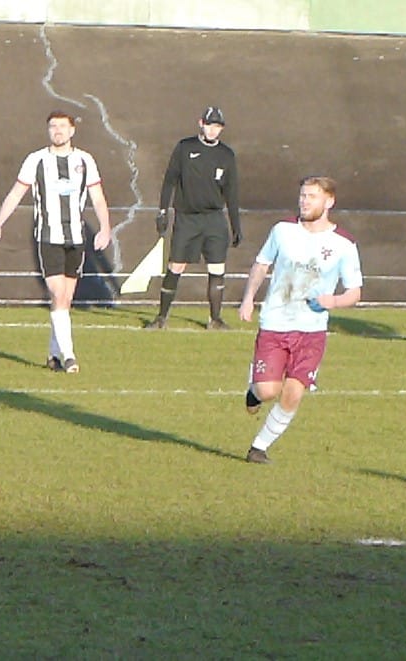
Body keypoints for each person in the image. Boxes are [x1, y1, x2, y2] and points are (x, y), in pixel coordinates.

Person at [238, 176, 362, 464]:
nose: (304, 202)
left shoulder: (343, 244)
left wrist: (334, 301)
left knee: (293, 394)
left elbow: (355, 292)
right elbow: (262, 263)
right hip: (275, 323)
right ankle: (254, 392)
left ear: (329, 202)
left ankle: (259, 448)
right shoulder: (282, 230)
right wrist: (248, 298)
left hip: (312, 331)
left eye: (312, 197)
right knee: (269, 391)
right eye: (303, 196)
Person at [0, 110, 111, 373]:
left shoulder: (84, 160)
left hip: (76, 238)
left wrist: (105, 228)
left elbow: (97, 197)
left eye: (62, 127)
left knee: (65, 298)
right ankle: (68, 355)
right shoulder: (36, 160)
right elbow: (16, 193)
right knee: (56, 292)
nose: (57, 131)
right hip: (48, 237)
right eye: (53, 127)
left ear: (72, 131)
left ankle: (53, 354)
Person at [145, 106, 241, 330]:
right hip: (187, 219)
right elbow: (170, 180)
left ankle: (215, 319)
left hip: (214, 219)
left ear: (221, 129)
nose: (212, 130)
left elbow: (232, 192)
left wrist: (235, 225)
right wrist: (162, 211)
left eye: (216, 126)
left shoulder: (226, 155)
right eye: (209, 125)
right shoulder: (185, 147)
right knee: (176, 266)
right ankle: (161, 317)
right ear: (201, 123)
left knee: (217, 268)